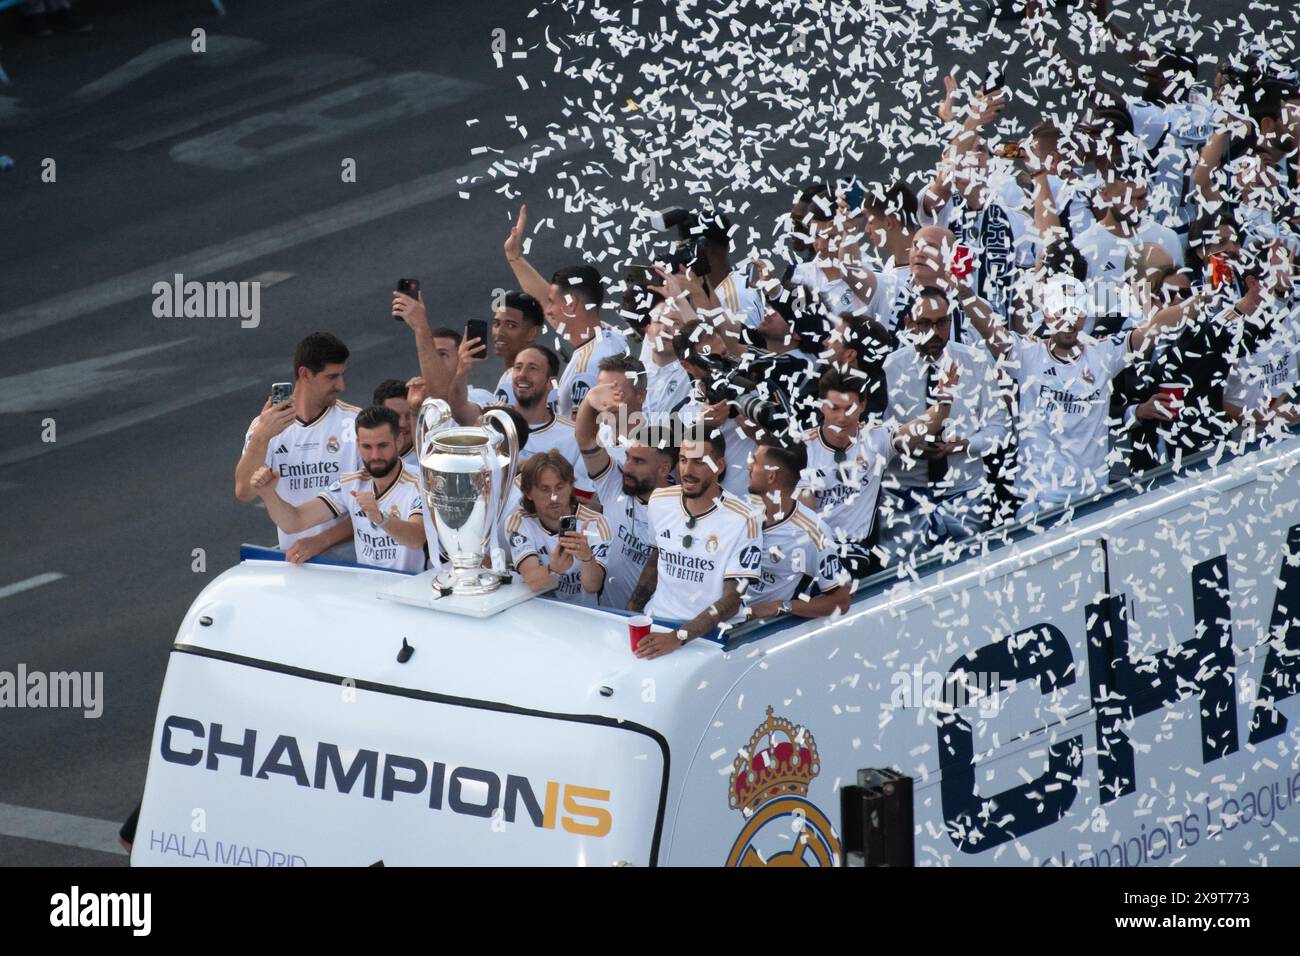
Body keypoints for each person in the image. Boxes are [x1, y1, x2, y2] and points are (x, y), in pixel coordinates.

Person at [961, 270, 1189, 518]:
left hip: (1091, 501)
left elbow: (1155, 327)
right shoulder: (1027, 354)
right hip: (1037, 502)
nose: (1068, 320)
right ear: (1047, 314)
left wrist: (1206, 297)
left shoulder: (1104, 354)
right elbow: (988, 328)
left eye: (1074, 311)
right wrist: (959, 288)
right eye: (1060, 312)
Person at [879, 287, 1012, 552]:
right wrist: (909, 446)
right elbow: (876, 437)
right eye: (924, 323)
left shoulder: (974, 361)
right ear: (908, 324)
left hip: (964, 493)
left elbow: (1001, 430)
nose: (934, 331)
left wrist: (964, 444)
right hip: (905, 495)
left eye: (941, 322)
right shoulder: (889, 368)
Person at [798, 368, 954, 577]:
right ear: (821, 406)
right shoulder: (802, 448)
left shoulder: (875, 438)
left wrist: (944, 404)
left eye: (849, 408)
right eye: (834, 408)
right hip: (811, 550)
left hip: (854, 551)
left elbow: (921, 428)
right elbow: (806, 518)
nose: (842, 418)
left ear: (862, 405)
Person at [628, 433, 764, 658]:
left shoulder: (745, 519)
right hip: (657, 623)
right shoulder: (659, 500)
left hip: (709, 638)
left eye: (699, 462)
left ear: (719, 466)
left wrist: (679, 636)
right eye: (683, 460)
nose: (687, 471)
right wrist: (631, 610)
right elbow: (657, 555)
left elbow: (732, 599)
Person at [249, 406, 426, 572]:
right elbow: (295, 521)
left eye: (383, 446)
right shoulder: (351, 483)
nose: (375, 456)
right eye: (367, 447)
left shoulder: (420, 482)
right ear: (358, 445)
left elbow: (416, 538)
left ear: (400, 441)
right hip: (367, 589)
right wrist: (267, 493)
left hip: (410, 589)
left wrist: (381, 518)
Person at [234, 332, 360, 562]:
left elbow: (376, 505)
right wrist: (261, 438)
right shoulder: (266, 427)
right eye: (332, 377)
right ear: (305, 374)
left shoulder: (356, 424)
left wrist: (321, 542)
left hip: (350, 566)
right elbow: (244, 491)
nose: (341, 385)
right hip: (295, 564)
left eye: (342, 375)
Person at [502, 205, 630, 414]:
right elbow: (544, 301)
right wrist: (514, 257)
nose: (548, 310)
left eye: (553, 302)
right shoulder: (608, 334)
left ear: (571, 305)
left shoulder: (590, 368)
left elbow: (580, 434)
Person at [575, 382, 676, 610]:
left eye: (638, 461)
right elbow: (585, 439)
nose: (627, 466)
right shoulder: (614, 484)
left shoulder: (680, 509)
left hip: (649, 625)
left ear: (663, 468)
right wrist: (590, 403)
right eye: (628, 456)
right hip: (602, 615)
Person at [745, 442, 851, 621]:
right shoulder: (743, 510)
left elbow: (841, 601)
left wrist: (781, 606)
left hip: (757, 633)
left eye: (754, 462)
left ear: (771, 476)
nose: (748, 465)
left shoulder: (812, 533)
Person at [506, 452, 611, 607]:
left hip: (584, 617)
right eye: (545, 489)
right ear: (528, 493)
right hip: (537, 613)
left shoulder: (595, 523)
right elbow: (532, 581)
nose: (554, 497)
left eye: (560, 487)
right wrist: (554, 569)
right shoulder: (519, 522)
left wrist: (587, 557)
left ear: (570, 488)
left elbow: (592, 586)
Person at [488, 291, 552, 406]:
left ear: (532, 333)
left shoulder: (519, 380)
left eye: (511, 325)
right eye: (497, 323)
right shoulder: (511, 376)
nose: (499, 332)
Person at [372, 379, 416, 468]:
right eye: (395, 416)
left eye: (409, 416)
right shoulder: (359, 456)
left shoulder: (428, 458)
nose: (403, 424)